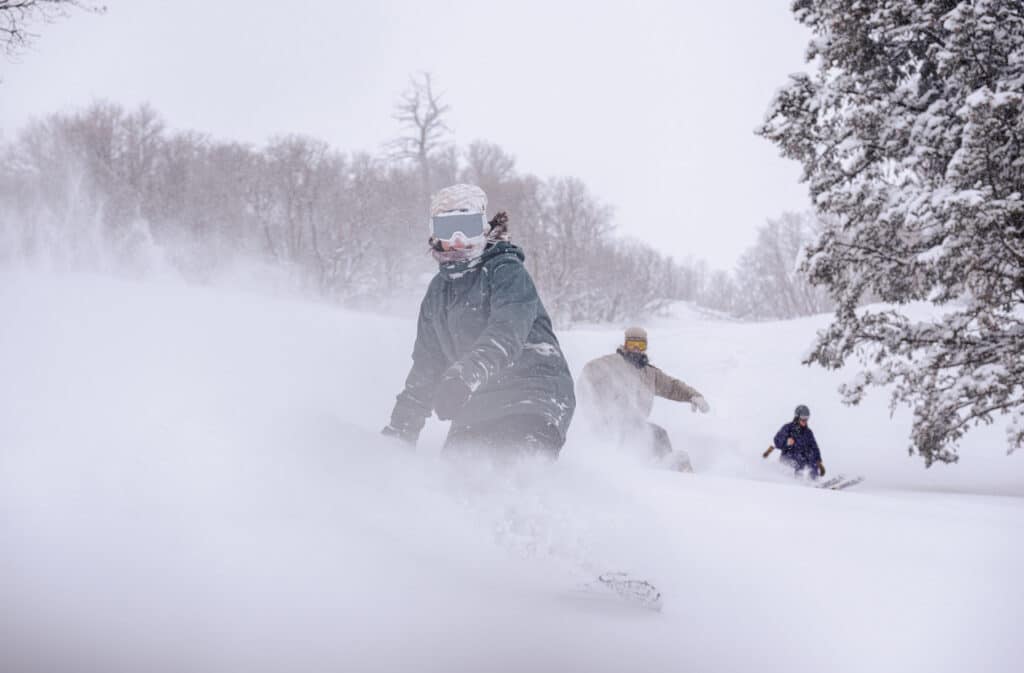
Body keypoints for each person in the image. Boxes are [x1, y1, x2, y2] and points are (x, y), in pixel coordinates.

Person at [382, 184, 575, 458]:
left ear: (484, 229)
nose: (458, 240)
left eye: (467, 227)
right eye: (448, 230)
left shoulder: (505, 270)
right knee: (456, 477)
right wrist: (400, 430)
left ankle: (529, 496)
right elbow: (427, 366)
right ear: (435, 235)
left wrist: (465, 376)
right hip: (478, 402)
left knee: (508, 466)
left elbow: (507, 330)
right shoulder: (438, 293)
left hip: (534, 391)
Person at [577, 326, 709, 471]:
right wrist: (593, 412)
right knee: (633, 441)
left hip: (637, 426)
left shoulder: (649, 373)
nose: (636, 349)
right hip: (611, 426)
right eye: (632, 344)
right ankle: (628, 471)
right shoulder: (609, 364)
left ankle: (669, 470)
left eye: (640, 345)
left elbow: (672, 386)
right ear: (625, 344)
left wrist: (693, 395)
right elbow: (587, 377)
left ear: (645, 347)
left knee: (658, 434)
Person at [769, 405, 826, 479]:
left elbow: (814, 447)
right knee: (799, 461)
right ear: (797, 418)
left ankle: (814, 481)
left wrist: (818, 461)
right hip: (788, 458)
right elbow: (777, 441)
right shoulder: (788, 428)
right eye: (803, 419)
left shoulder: (808, 432)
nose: (805, 421)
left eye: (806, 419)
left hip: (802, 458)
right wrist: (786, 442)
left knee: (812, 459)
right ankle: (797, 481)